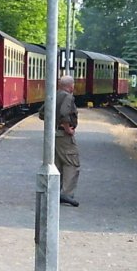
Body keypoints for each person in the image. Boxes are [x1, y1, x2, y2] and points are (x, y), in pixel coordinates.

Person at [54, 75, 80, 206]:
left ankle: (54, 192)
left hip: (54, 135)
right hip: (64, 136)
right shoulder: (68, 97)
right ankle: (66, 194)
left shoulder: (54, 95)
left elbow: (42, 113)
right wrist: (67, 128)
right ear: (71, 86)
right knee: (72, 162)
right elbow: (65, 113)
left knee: (58, 164)